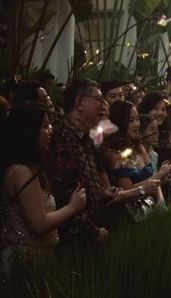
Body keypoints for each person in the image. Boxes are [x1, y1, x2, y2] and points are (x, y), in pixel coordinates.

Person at [0, 105, 87, 275]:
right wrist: (73, 206)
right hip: (24, 261)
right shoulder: (21, 172)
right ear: (29, 131)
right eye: (45, 126)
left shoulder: (30, 169)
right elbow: (39, 224)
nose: (51, 130)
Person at [46, 79, 115, 246]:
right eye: (98, 99)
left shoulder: (85, 138)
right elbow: (64, 194)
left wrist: (100, 193)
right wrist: (93, 233)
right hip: (75, 242)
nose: (103, 104)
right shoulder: (63, 138)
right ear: (79, 103)